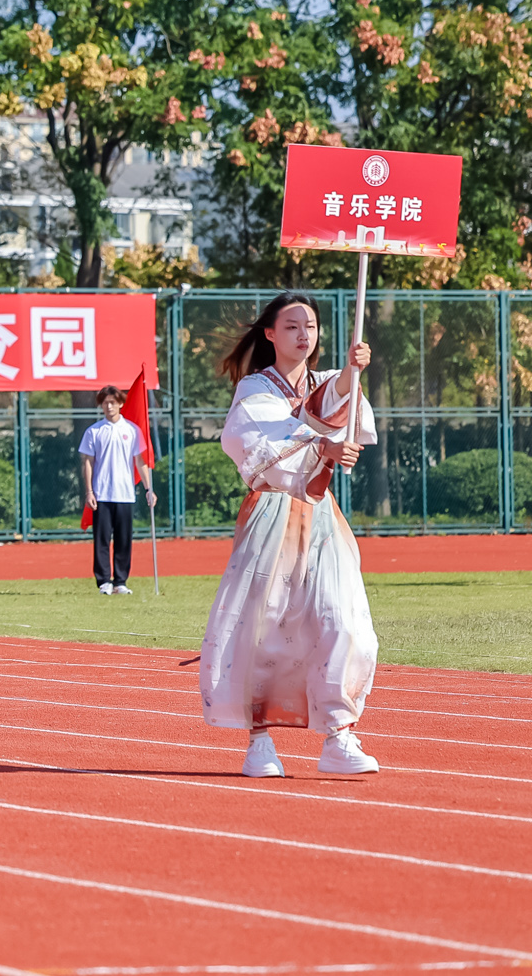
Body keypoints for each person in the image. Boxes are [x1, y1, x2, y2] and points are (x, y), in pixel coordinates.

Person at [206, 293, 381, 778]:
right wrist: (323, 447)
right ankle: (259, 741)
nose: (304, 335)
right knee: (263, 626)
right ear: (270, 334)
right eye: (291, 326)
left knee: (344, 619)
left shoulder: (328, 381)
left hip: (320, 515)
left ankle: (339, 735)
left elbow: (334, 406)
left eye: (311, 326)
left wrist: (351, 374)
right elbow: (263, 440)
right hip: (271, 515)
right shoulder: (254, 388)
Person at [80, 384, 156, 596]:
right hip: (102, 494)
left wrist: (149, 488)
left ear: (121, 404)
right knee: (102, 540)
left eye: (113, 402)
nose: (109, 407)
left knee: (124, 539)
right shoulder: (94, 431)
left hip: (125, 494)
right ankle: (104, 581)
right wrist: (89, 491)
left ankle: (120, 581)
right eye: (105, 403)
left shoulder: (132, 430)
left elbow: (140, 461)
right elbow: (88, 462)